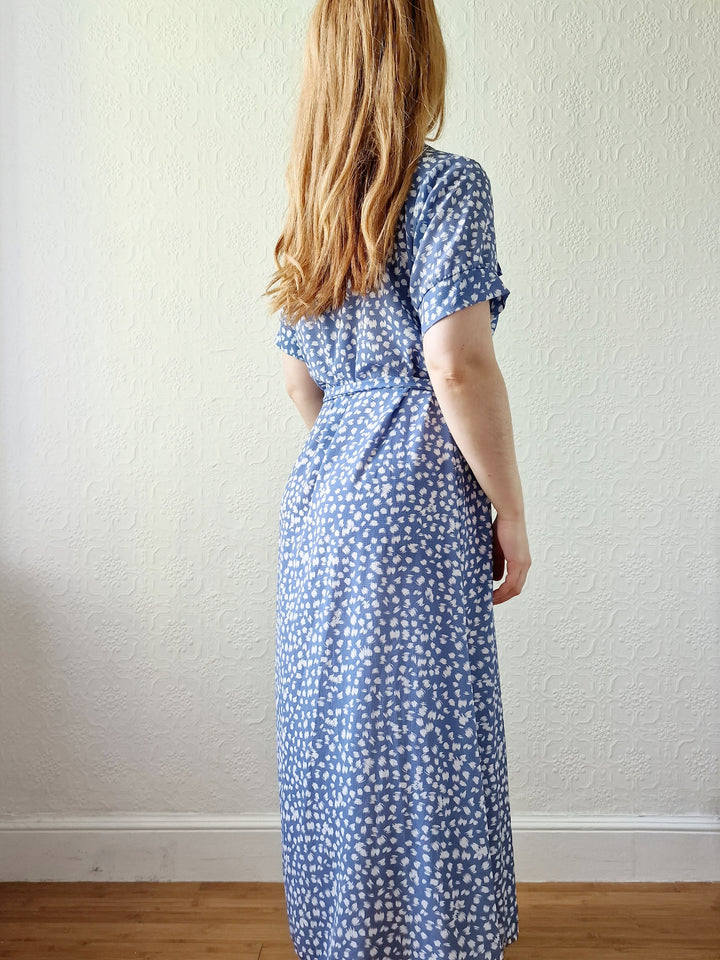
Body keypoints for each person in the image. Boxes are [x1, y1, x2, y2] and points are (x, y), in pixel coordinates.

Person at [264, 2, 531, 958]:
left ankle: (350, 937)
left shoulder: (313, 200)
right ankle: (438, 941)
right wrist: (508, 506)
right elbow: (457, 364)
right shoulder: (448, 187)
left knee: (342, 740)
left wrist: (355, 448)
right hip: (417, 496)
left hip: (324, 500)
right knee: (426, 742)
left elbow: (301, 379)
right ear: (416, 55)